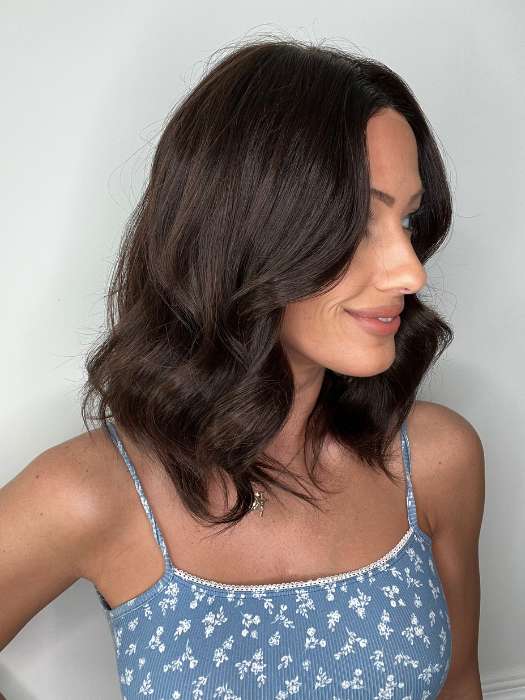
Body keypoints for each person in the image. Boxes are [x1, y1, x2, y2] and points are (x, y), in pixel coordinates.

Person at [0, 36, 484, 699]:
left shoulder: (433, 461)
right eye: (357, 223)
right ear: (245, 233)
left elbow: (459, 685)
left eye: (407, 221)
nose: (410, 271)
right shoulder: (92, 493)